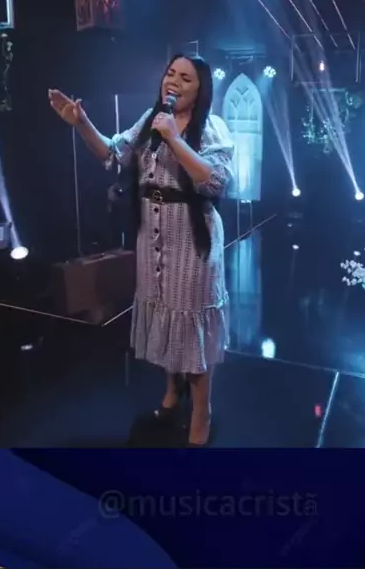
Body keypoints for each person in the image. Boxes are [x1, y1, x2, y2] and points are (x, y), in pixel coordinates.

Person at [49, 54, 234, 446]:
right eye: (171, 73)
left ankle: (201, 411)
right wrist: (81, 123)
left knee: (191, 325)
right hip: (153, 238)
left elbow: (215, 181)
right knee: (164, 315)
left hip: (193, 240)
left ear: (201, 89)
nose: (174, 82)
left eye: (186, 78)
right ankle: (172, 392)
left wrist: (175, 139)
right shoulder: (151, 119)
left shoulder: (211, 127)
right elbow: (112, 154)